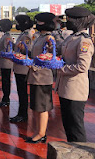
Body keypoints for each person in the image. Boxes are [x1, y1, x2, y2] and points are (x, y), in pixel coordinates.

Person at [56, 7, 95, 142]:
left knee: (76, 129)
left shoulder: (84, 41)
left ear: (78, 21)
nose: (67, 22)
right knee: (68, 126)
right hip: (65, 88)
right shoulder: (73, 37)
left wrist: (61, 68)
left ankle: (81, 154)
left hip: (75, 90)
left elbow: (82, 66)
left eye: (69, 19)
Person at [25, 12, 56, 143]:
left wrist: (33, 66)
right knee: (36, 106)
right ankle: (38, 131)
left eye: (39, 22)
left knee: (42, 107)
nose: (37, 24)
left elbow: (48, 58)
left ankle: (42, 133)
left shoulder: (49, 38)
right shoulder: (39, 37)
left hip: (43, 77)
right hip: (35, 76)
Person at [10, 15, 33, 123]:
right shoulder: (23, 34)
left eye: (18, 22)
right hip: (19, 66)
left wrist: (21, 48)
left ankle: (23, 114)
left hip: (23, 67)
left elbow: (28, 50)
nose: (16, 25)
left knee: (22, 92)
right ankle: (21, 113)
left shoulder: (28, 34)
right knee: (20, 91)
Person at [0, 19, 13, 108]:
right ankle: (5, 98)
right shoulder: (5, 36)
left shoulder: (7, 37)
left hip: (7, 62)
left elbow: (8, 51)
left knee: (6, 82)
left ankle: (6, 99)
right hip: (4, 62)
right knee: (4, 81)